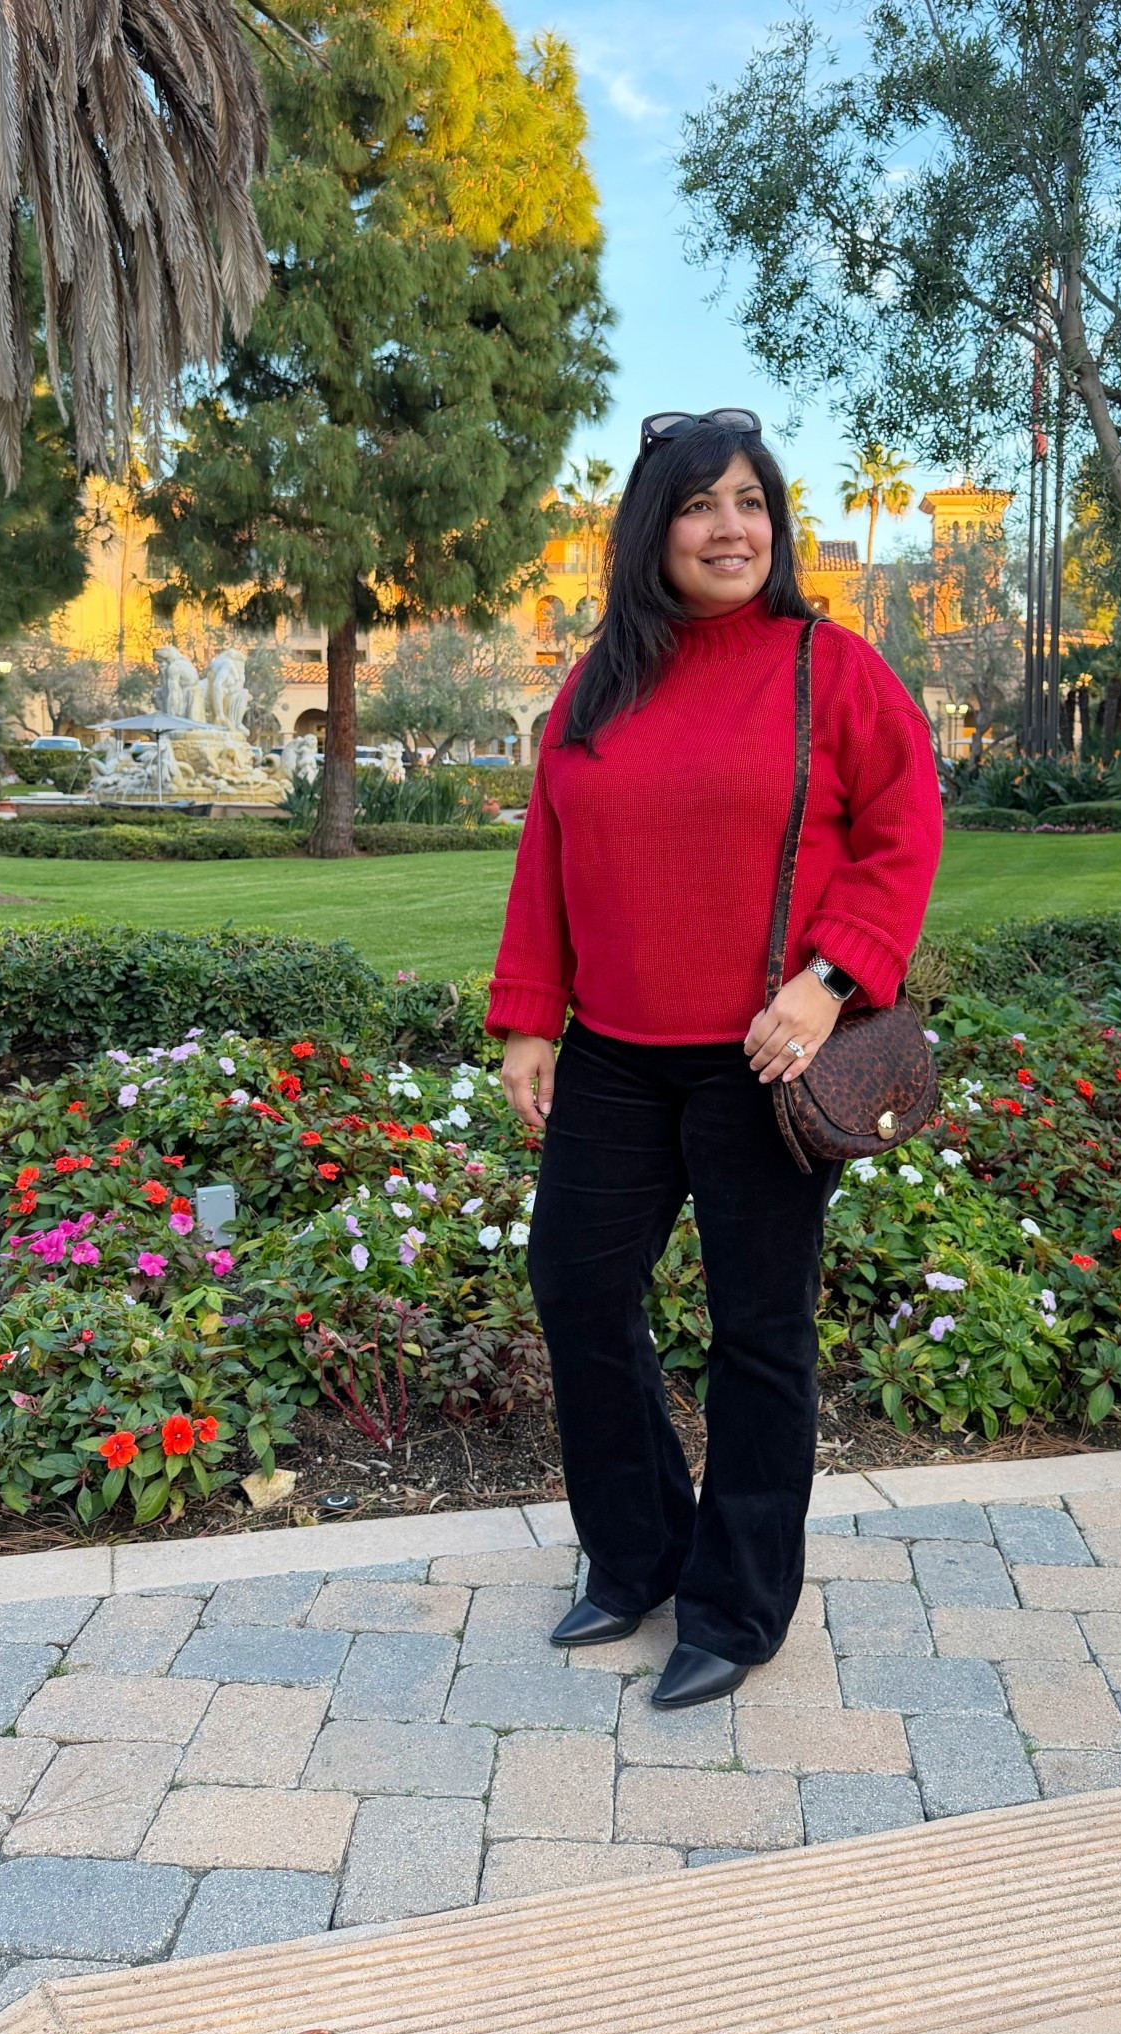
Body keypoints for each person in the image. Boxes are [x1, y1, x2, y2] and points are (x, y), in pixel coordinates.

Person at [486, 408, 943, 1709]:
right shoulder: (599, 683)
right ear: (655, 528)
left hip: (766, 1062)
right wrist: (530, 1012)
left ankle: (737, 1608)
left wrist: (829, 979)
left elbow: (903, 831)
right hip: (617, 1059)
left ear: (776, 526)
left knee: (759, 1336)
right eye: (700, 505)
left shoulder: (830, 668)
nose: (730, 527)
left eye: (751, 502)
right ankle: (637, 1556)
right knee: (576, 1290)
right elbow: (551, 852)